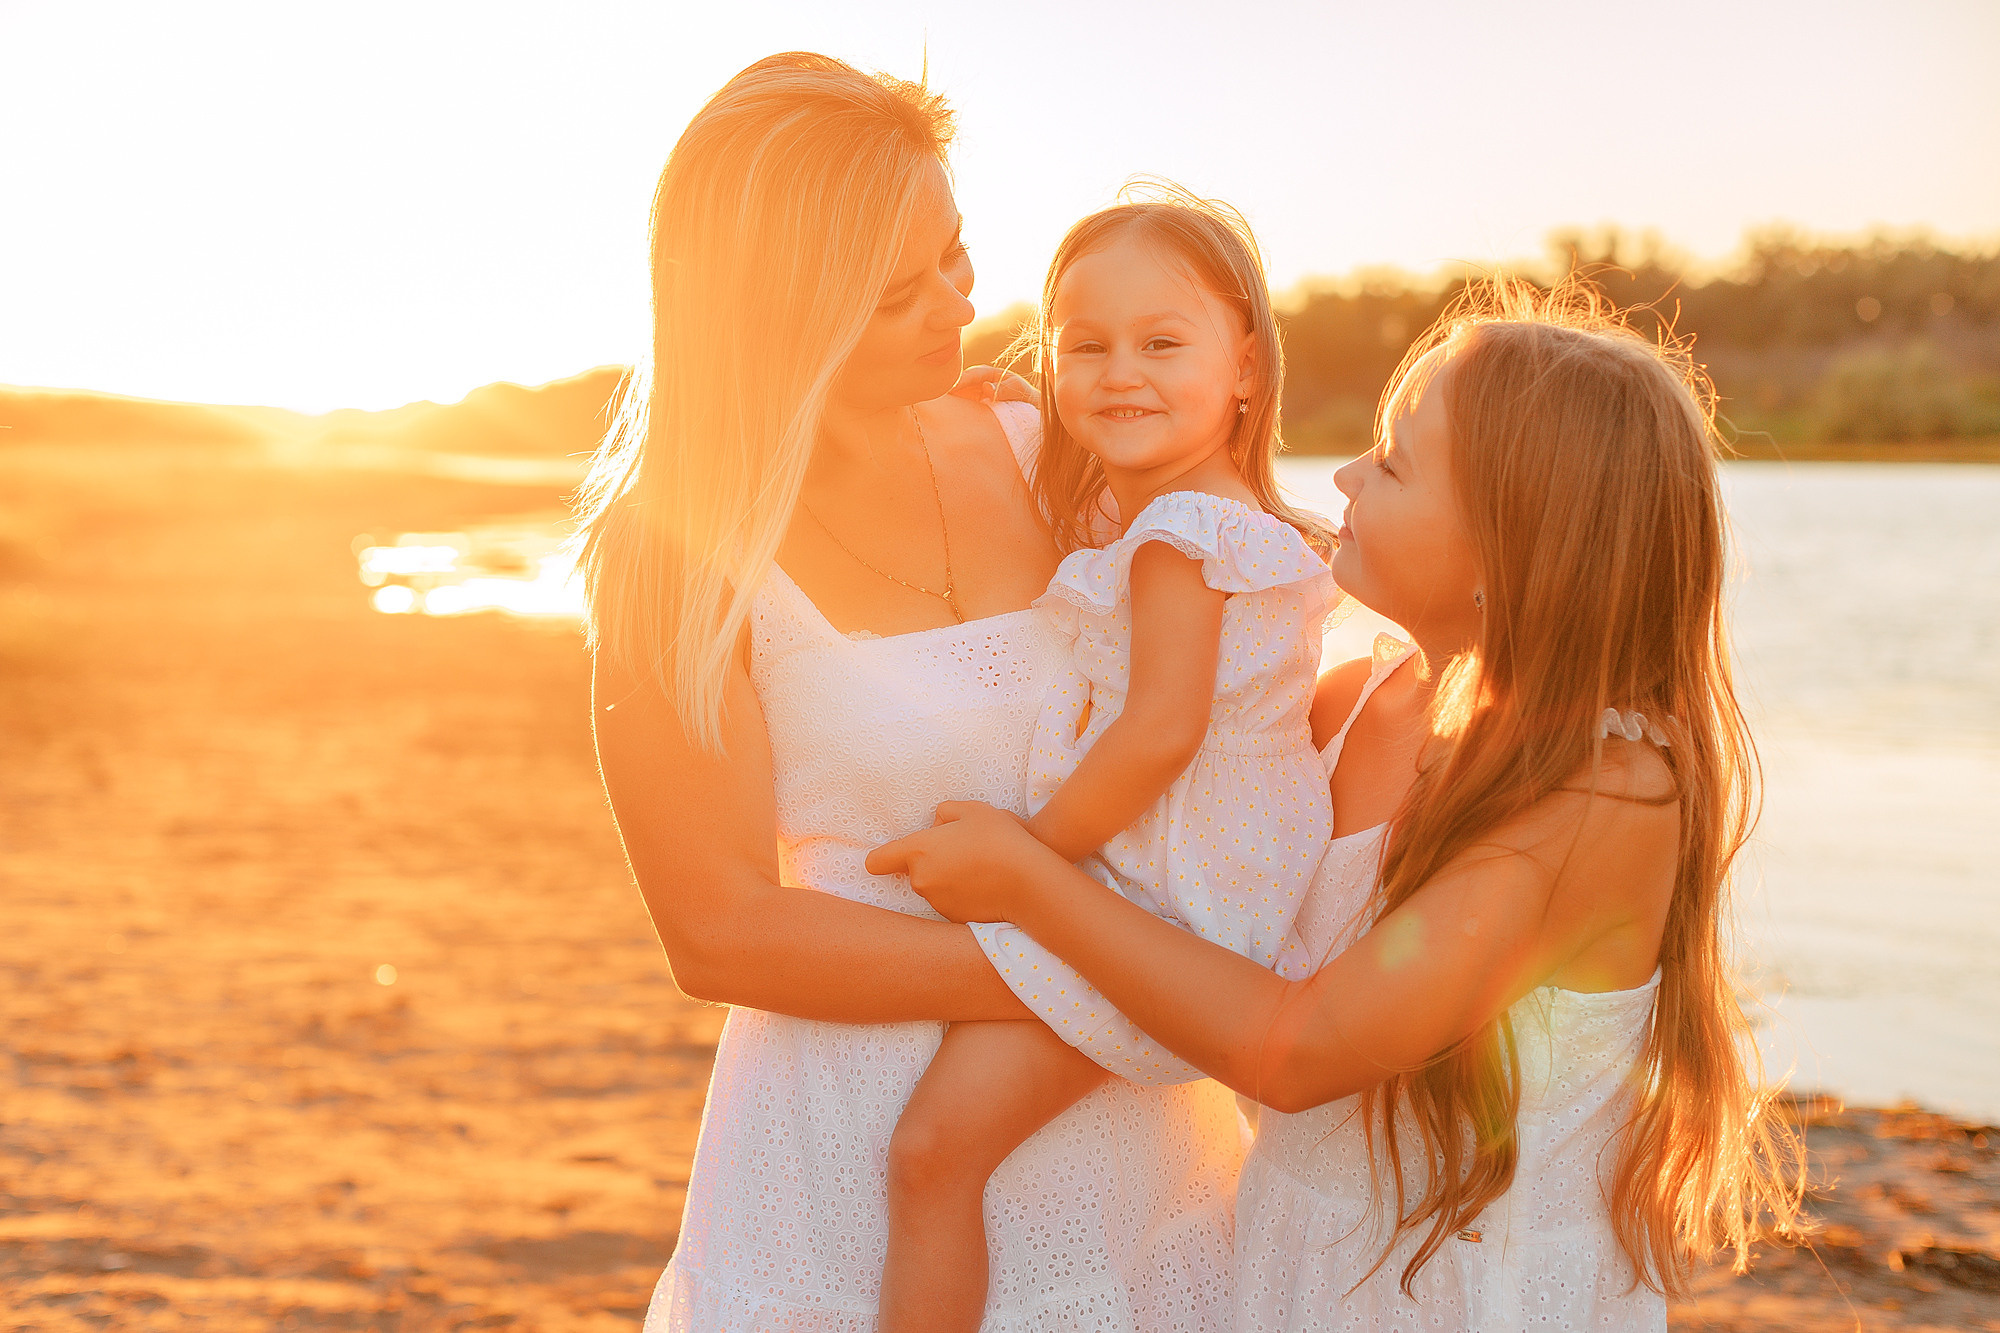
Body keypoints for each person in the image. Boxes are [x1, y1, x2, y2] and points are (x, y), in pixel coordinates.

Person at [872, 283, 1805, 1330]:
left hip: (1461, 1296)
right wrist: (1036, 425)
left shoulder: (1601, 794)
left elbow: (1298, 1051)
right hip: (1296, 1257)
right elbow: (1175, 616)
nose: (1347, 477)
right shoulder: (1367, 691)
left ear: (1514, 546)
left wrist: (1029, 882)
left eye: (1394, 464)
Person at [575, 53, 1244, 1330]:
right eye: (898, 294)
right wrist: (1095, 969)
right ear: (778, 314)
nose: (961, 303)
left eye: (955, 251)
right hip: (850, 1140)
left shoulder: (1049, 444)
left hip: (1119, 1126)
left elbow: (1252, 618)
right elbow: (715, 930)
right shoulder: (674, 553)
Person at [876, 196, 1337, 1331]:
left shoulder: (1181, 536)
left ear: (1245, 365)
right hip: (1205, 888)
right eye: (1083, 346)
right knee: (949, 1147)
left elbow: (1159, 729)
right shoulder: (1200, 511)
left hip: (1163, 902)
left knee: (932, 1152)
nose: (1117, 372)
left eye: (1160, 343)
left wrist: (1020, 864)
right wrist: (1000, 399)